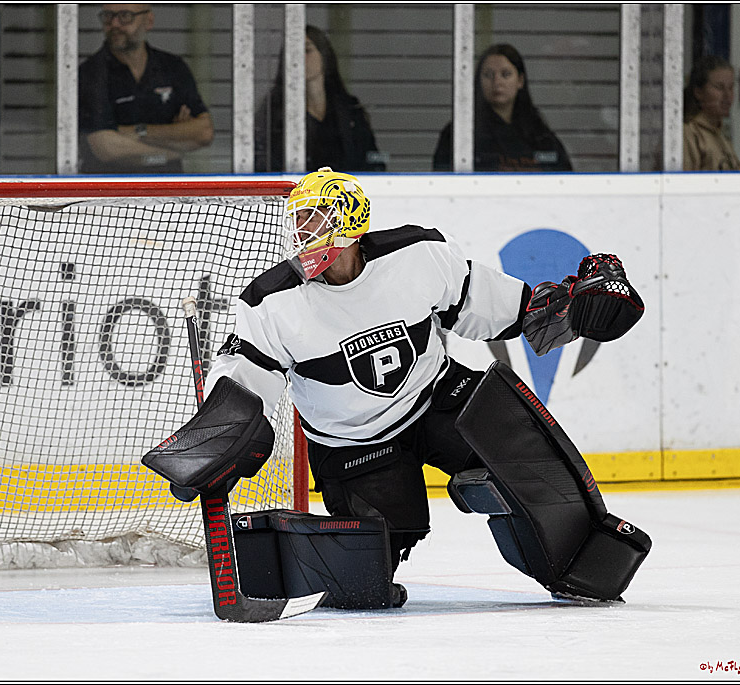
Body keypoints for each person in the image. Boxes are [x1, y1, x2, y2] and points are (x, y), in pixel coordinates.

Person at [145, 167, 650, 609]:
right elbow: (242, 385)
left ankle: (585, 563)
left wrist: (567, 311)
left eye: (316, 221)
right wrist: (216, 437)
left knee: (533, 468)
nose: (303, 234)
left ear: (349, 226)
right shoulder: (271, 302)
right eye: (297, 222)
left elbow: (502, 309)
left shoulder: (417, 254)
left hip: (440, 399)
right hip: (352, 444)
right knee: (363, 586)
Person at [77, 3, 213, 174]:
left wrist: (135, 132)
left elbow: (203, 133)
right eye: (107, 16)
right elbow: (106, 147)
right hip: (109, 191)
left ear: (148, 21)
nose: (115, 24)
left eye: (125, 16)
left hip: (169, 188)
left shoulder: (172, 67)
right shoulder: (90, 73)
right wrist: (174, 147)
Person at [255, 25, 386, 173]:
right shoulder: (274, 112)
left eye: (307, 50)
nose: (299, 59)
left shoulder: (349, 111)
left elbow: (372, 165)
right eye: (293, 52)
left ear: (324, 55)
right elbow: (264, 165)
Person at [432, 43, 572, 172]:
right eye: (488, 75)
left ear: (520, 81)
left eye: (506, 74)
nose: (497, 82)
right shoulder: (460, 133)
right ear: (478, 81)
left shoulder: (539, 134)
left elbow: (564, 179)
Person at [682, 55, 740, 171]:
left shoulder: (721, 134)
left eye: (731, 88)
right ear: (698, 92)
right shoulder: (689, 133)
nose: (727, 95)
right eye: (719, 88)